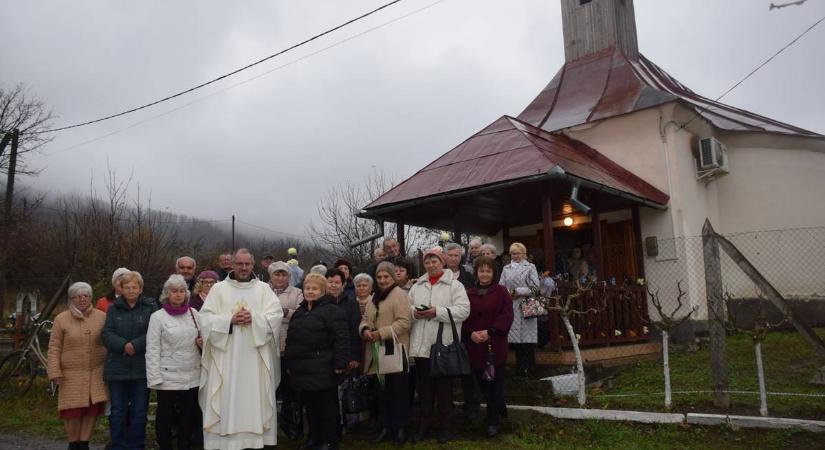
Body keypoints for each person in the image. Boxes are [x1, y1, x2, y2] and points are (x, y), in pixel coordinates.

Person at [199, 249, 283, 450]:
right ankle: (224, 440)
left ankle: (255, 439)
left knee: (255, 395)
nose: (243, 268)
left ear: (253, 265)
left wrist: (255, 318)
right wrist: (230, 320)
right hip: (226, 356)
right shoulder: (219, 289)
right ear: (232, 265)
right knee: (226, 394)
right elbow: (205, 318)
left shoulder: (263, 289)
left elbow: (276, 315)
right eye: (239, 264)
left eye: (247, 264)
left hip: (256, 357)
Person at [408, 248, 470, 444]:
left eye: (434, 260)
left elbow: (463, 311)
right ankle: (424, 426)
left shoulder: (455, 285)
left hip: (442, 346)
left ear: (442, 262)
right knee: (424, 391)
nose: (431, 264)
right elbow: (406, 307)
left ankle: (447, 428)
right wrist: (413, 313)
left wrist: (437, 311)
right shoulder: (417, 285)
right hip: (421, 347)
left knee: (444, 392)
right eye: (427, 261)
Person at [284, 273, 350, 450]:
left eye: (314, 288)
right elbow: (291, 340)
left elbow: (341, 339)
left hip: (324, 368)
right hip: (302, 370)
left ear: (323, 290)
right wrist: (289, 364)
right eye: (307, 288)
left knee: (325, 407)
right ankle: (313, 437)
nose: (310, 291)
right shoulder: (300, 312)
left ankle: (329, 440)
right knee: (310, 407)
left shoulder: (332, 311)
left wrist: (340, 364)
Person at [47, 282, 108, 450]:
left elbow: (108, 341)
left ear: (90, 297)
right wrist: (54, 371)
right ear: (71, 299)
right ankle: (73, 444)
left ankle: (84, 443)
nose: (82, 299)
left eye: (86, 296)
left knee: (91, 410)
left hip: (96, 372)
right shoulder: (61, 319)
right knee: (72, 411)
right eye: (77, 296)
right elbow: (54, 347)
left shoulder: (101, 317)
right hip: (70, 375)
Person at [101, 271, 157, 450]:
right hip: (117, 368)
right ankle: (118, 444)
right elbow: (106, 333)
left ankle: (136, 445)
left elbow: (155, 332)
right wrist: (124, 345)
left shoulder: (150, 307)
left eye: (134, 287)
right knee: (117, 411)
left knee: (139, 411)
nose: (131, 290)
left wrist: (136, 345)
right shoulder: (113, 308)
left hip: (142, 367)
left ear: (140, 289)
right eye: (127, 287)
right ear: (121, 289)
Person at [146, 275, 203, 450]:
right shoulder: (157, 317)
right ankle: (164, 445)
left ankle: (184, 444)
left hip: (192, 373)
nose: (178, 295)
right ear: (166, 294)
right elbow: (152, 348)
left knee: (188, 415)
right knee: (165, 415)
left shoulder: (194, 314)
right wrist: (154, 377)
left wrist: (203, 343)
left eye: (181, 291)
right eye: (173, 291)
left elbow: (205, 339)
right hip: (167, 375)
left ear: (186, 294)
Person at [359, 262, 412, 446]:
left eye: (386, 277)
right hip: (375, 352)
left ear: (393, 277)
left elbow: (404, 322)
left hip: (393, 351)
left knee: (397, 392)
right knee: (381, 394)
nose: (382, 280)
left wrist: (381, 333)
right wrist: (364, 329)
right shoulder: (374, 297)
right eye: (379, 277)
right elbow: (365, 318)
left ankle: (400, 429)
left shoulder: (399, 295)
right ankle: (385, 427)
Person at [461, 257, 514, 437]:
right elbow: (463, 318)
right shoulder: (468, 293)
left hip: (495, 346)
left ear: (494, 273)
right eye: (481, 271)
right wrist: (470, 334)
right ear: (476, 273)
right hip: (474, 347)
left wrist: (490, 331)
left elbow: (507, 315)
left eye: (488, 271)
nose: (484, 274)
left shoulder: (501, 292)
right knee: (483, 384)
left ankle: (493, 421)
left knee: (495, 385)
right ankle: (499, 409)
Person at [268, 261, 304, 440]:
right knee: (269, 389)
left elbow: (301, 313)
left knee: (291, 389)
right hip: (267, 347)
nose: (280, 278)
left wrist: (281, 312)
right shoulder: (263, 291)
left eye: (284, 275)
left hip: (289, 347)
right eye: (277, 274)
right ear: (271, 276)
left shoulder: (297, 292)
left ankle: (291, 426)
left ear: (289, 277)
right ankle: (269, 427)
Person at [500, 242, 541, 378]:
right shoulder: (506, 268)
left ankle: (530, 370)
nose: (515, 256)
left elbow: (536, 288)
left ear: (524, 254)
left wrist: (517, 291)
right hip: (511, 306)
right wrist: (507, 293)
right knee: (516, 341)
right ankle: (520, 369)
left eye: (518, 253)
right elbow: (501, 286)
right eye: (513, 253)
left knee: (527, 342)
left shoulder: (530, 267)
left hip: (527, 305)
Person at [326, 268, 362, 375]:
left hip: (345, 354)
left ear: (343, 284)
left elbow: (355, 330)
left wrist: (355, 357)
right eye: (330, 282)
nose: (333, 285)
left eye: (337, 282)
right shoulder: (319, 303)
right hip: (324, 354)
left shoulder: (351, 303)